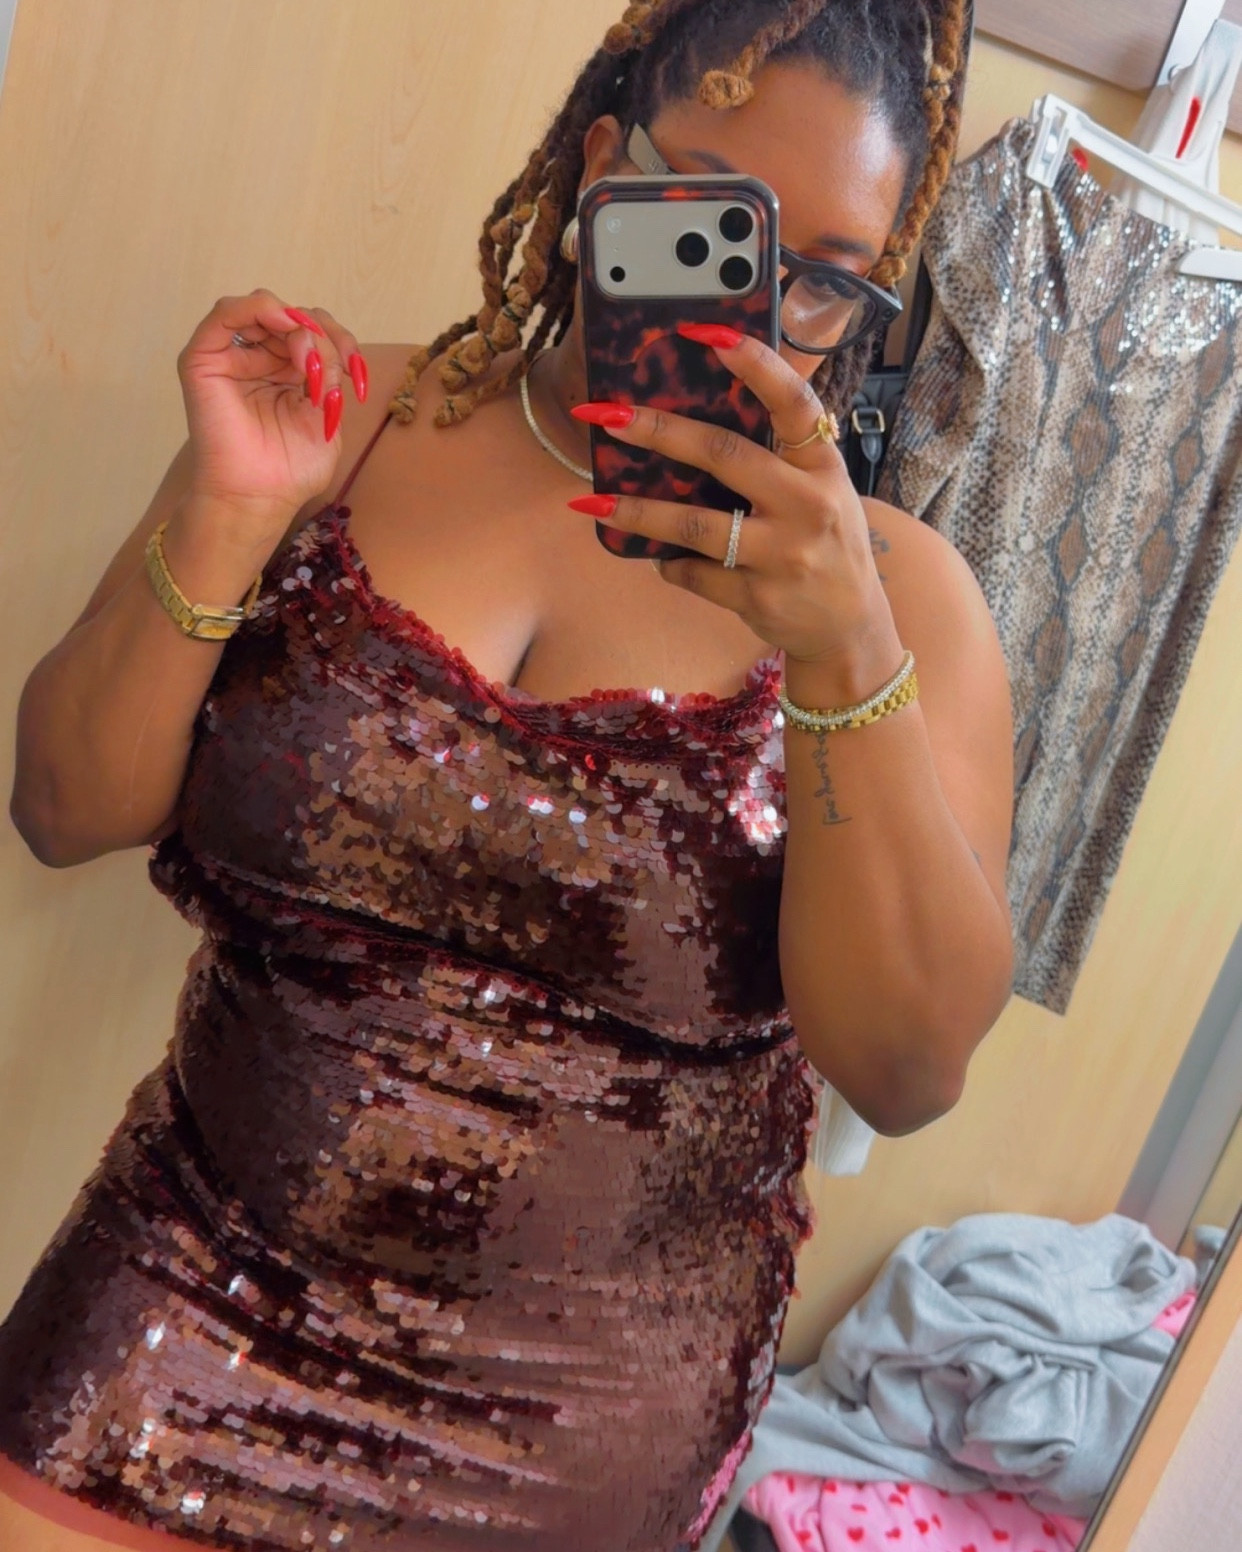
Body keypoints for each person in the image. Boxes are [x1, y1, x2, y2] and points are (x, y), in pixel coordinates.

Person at [0, 1, 1013, 1548]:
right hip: (175, 1308)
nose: (755, 315)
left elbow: (906, 1070)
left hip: (576, 1440)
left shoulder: (902, 604)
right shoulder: (344, 422)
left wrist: (840, 658)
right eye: (714, 226)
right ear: (604, 172)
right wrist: (225, 516)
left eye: (821, 278)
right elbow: (61, 810)